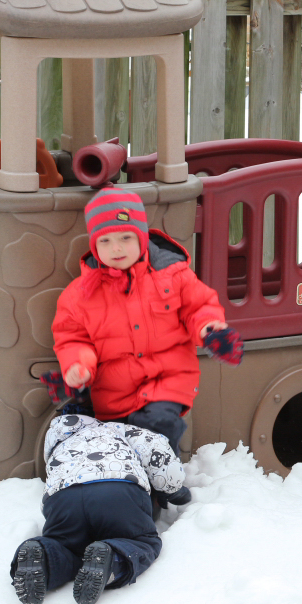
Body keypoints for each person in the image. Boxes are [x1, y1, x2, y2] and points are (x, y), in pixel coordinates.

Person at [50, 186, 243, 452]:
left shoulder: (172, 274)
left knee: (157, 425)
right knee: (122, 445)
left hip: (167, 379)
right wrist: (79, 365)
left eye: (125, 237)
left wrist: (209, 329)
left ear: (142, 236)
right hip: (115, 392)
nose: (116, 248)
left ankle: (165, 472)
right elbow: (72, 337)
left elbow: (198, 306)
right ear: (94, 245)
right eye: (105, 241)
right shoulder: (80, 294)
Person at [10, 413, 191, 604]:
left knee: (66, 547)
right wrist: (174, 489)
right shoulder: (118, 430)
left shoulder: (59, 443)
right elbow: (156, 449)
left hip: (63, 498)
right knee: (143, 542)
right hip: (118, 491)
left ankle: (44, 558)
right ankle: (113, 559)